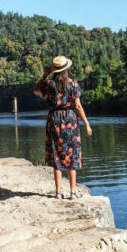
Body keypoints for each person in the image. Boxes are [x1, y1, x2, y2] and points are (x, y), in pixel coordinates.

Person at [34, 55, 92, 199]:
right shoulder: (73, 84)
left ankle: (58, 192)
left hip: (54, 119)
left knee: (56, 155)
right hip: (70, 120)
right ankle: (73, 192)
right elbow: (78, 106)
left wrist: (45, 75)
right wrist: (87, 123)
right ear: (67, 69)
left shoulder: (49, 84)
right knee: (72, 155)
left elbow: (36, 90)